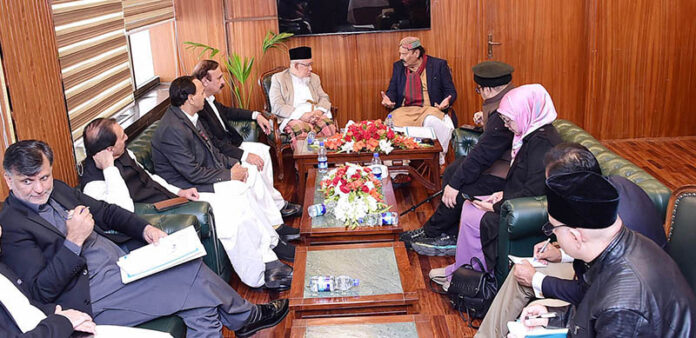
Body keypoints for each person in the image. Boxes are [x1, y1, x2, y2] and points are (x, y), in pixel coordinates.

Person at [0, 140, 289, 338]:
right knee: (191, 274)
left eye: (44, 177)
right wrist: (73, 242)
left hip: (122, 264)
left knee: (196, 292)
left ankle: (245, 319)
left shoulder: (58, 189)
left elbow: (107, 212)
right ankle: (246, 317)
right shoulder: (12, 225)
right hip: (92, 295)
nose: (39, 188)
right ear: (8, 179)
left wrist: (144, 229)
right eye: (28, 181)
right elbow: (42, 290)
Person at [79, 118, 297, 289]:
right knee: (230, 217)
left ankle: (269, 252)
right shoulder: (93, 185)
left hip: (173, 197)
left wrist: (179, 190)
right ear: (107, 150)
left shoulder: (124, 153)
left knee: (239, 198)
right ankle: (257, 275)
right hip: (162, 212)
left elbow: (150, 178)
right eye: (121, 136)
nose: (126, 137)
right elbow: (122, 210)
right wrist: (109, 169)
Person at [477, 142, 668, 337]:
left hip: (628, 304)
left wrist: (537, 280)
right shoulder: (609, 193)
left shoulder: (611, 226)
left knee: (528, 284)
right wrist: (561, 253)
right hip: (614, 288)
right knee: (522, 274)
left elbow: (593, 292)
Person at [150, 76, 296, 289]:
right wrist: (228, 175)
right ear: (190, 98)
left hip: (202, 177)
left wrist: (233, 166)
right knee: (235, 201)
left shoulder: (191, 116)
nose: (204, 95)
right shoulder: (172, 129)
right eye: (200, 92)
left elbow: (213, 151)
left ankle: (269, 247)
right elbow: (191, 173)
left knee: (243, 187)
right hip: (187, 189)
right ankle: (256, 273)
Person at [518, 171, 695, 337]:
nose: (553, 234)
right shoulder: (626, 243)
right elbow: (594, 307)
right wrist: (554, 317)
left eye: (553, 228)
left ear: (576, 236)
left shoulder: (623, 307)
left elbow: (609, 311)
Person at [422, 84, 561, 285]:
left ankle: (472, 277)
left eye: (508, 120)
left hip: (522, 209)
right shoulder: (530, 135)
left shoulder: (543, 145)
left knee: (475, 211)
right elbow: (522, 181)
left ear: (525, 114)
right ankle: (463, 271)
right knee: (469, 207)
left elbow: (534, 191)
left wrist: (497, 205)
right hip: (512, 199)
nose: (505, 125)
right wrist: (502, 193)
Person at [400, 61, 515, 252]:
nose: (480, 93)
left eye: (479, 90)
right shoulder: (507, 98)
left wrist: (454, 186)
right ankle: (446, 233)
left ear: (488, 89)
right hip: (498, 163)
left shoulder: (502, 115)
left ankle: (433, 231)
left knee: (461, 186)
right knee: (454, 169)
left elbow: (482, 155)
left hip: (507, 175)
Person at [191, 59, 301, 219]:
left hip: (232, 144)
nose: (223, 82)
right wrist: (244, 155)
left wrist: (256, 115)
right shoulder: (199, 109)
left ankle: (271, 204)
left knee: (264, 152)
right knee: (256, 163)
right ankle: (276, 207)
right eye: (219, 78)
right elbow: (215, 144)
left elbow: (227, 111)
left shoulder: (209, 99)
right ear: (205, 81)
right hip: (224, 153)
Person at [380, 36, 457, 164]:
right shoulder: (398, 67)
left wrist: (447, 101)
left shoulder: (438, 65)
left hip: (429, 109)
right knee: (390, 125)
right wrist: (389, 99)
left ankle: (439, 160)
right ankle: (400, 167)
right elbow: (392, 90)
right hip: (405, 110)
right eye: (400, 54)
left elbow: (451, 92)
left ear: (416, 53)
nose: (401, 57)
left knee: (431, 121)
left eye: (404, 54)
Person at [268, 46, 337, 147]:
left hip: (315, 115)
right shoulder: (279, 79)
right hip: (293, 117)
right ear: (296, 66)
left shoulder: (314, 78)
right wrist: (302, 115)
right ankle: (306, 162)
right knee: (300, 130)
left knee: (328, 127)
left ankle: (328, 161)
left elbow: (324, 97)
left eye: (311, 64)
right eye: (307, 65)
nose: (311, 68)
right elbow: (277, 106)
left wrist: (319, 112)